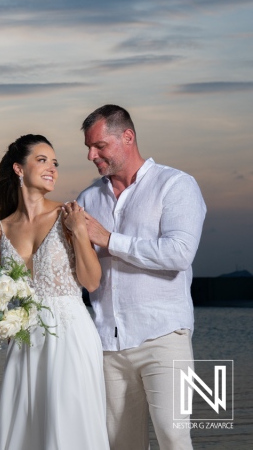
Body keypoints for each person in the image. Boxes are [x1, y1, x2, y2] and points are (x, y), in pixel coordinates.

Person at [76, 105, 206, 450]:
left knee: (174, 437)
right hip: (106, 345)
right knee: (120, 444)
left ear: (127, 137)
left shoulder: (176, 185)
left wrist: (108, 240)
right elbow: (79, 269)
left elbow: (178, 253)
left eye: (99, 146)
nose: (91, 155)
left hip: (163, 336)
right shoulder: (88, 199)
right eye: (89, 147)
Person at [0, 134, 110, 450]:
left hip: (70, 334)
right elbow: (2, 294)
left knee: (69, 427)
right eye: (42, 160)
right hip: (25, 342)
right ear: (18, 168)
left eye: (55, 163)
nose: (52, 168)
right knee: (24, 429)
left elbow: (92, 282)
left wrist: (80, 231)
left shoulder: (68, 215)